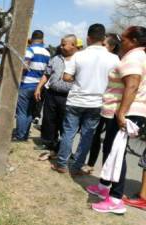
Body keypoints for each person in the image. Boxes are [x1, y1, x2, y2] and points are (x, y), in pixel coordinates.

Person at [87, 26, 146, 214]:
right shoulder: (137, 55)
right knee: (110, 149)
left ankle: (115, 199)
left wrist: (121, 113)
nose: (121, 41)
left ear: (135, 41)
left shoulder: (134, 57)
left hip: (125, 111)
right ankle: (104, 187)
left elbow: (133, 85)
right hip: (123, 110)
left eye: (124, 38)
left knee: (117, 154)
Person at [51, 24, 120, 174]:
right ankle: (76, 167)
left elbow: (66, 77)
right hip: (97, 103)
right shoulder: (114, 59)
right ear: (103, 39)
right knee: (87, 135)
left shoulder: (79, 55)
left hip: (76, 100)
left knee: (68, 132)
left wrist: (79, 77)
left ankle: (61, 164)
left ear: (88, 38)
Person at [82, 33, 122, 174]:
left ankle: (106, 172)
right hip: (98, 102)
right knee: (94, 134)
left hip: (112, 105)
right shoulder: (97, 58)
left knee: (108, 141)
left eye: (104, 45)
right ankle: (90, 163)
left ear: (112, 46)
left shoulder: (117, 61)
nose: (102, 47)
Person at [34, 34, 78, 160]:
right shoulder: (55, 59)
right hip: (52, 94)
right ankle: (50, 147)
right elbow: (46, 75)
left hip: (69, 97)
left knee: (66, 124)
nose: (61, 46)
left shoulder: (79, 60)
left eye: (64, 44)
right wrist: (39, 88)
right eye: (61, 44)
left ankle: (65, 150)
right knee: (49, 121)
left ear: (73, 45)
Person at [13, 30, 50, 141]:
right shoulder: (47, 53)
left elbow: (25, 66)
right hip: (39, 86)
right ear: (42, 39)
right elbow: (48, 71)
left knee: (21, 112)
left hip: (26, 84)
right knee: (30, 112)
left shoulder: (30, 50)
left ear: (32, 39)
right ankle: (24, 136)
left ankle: (20, 136)